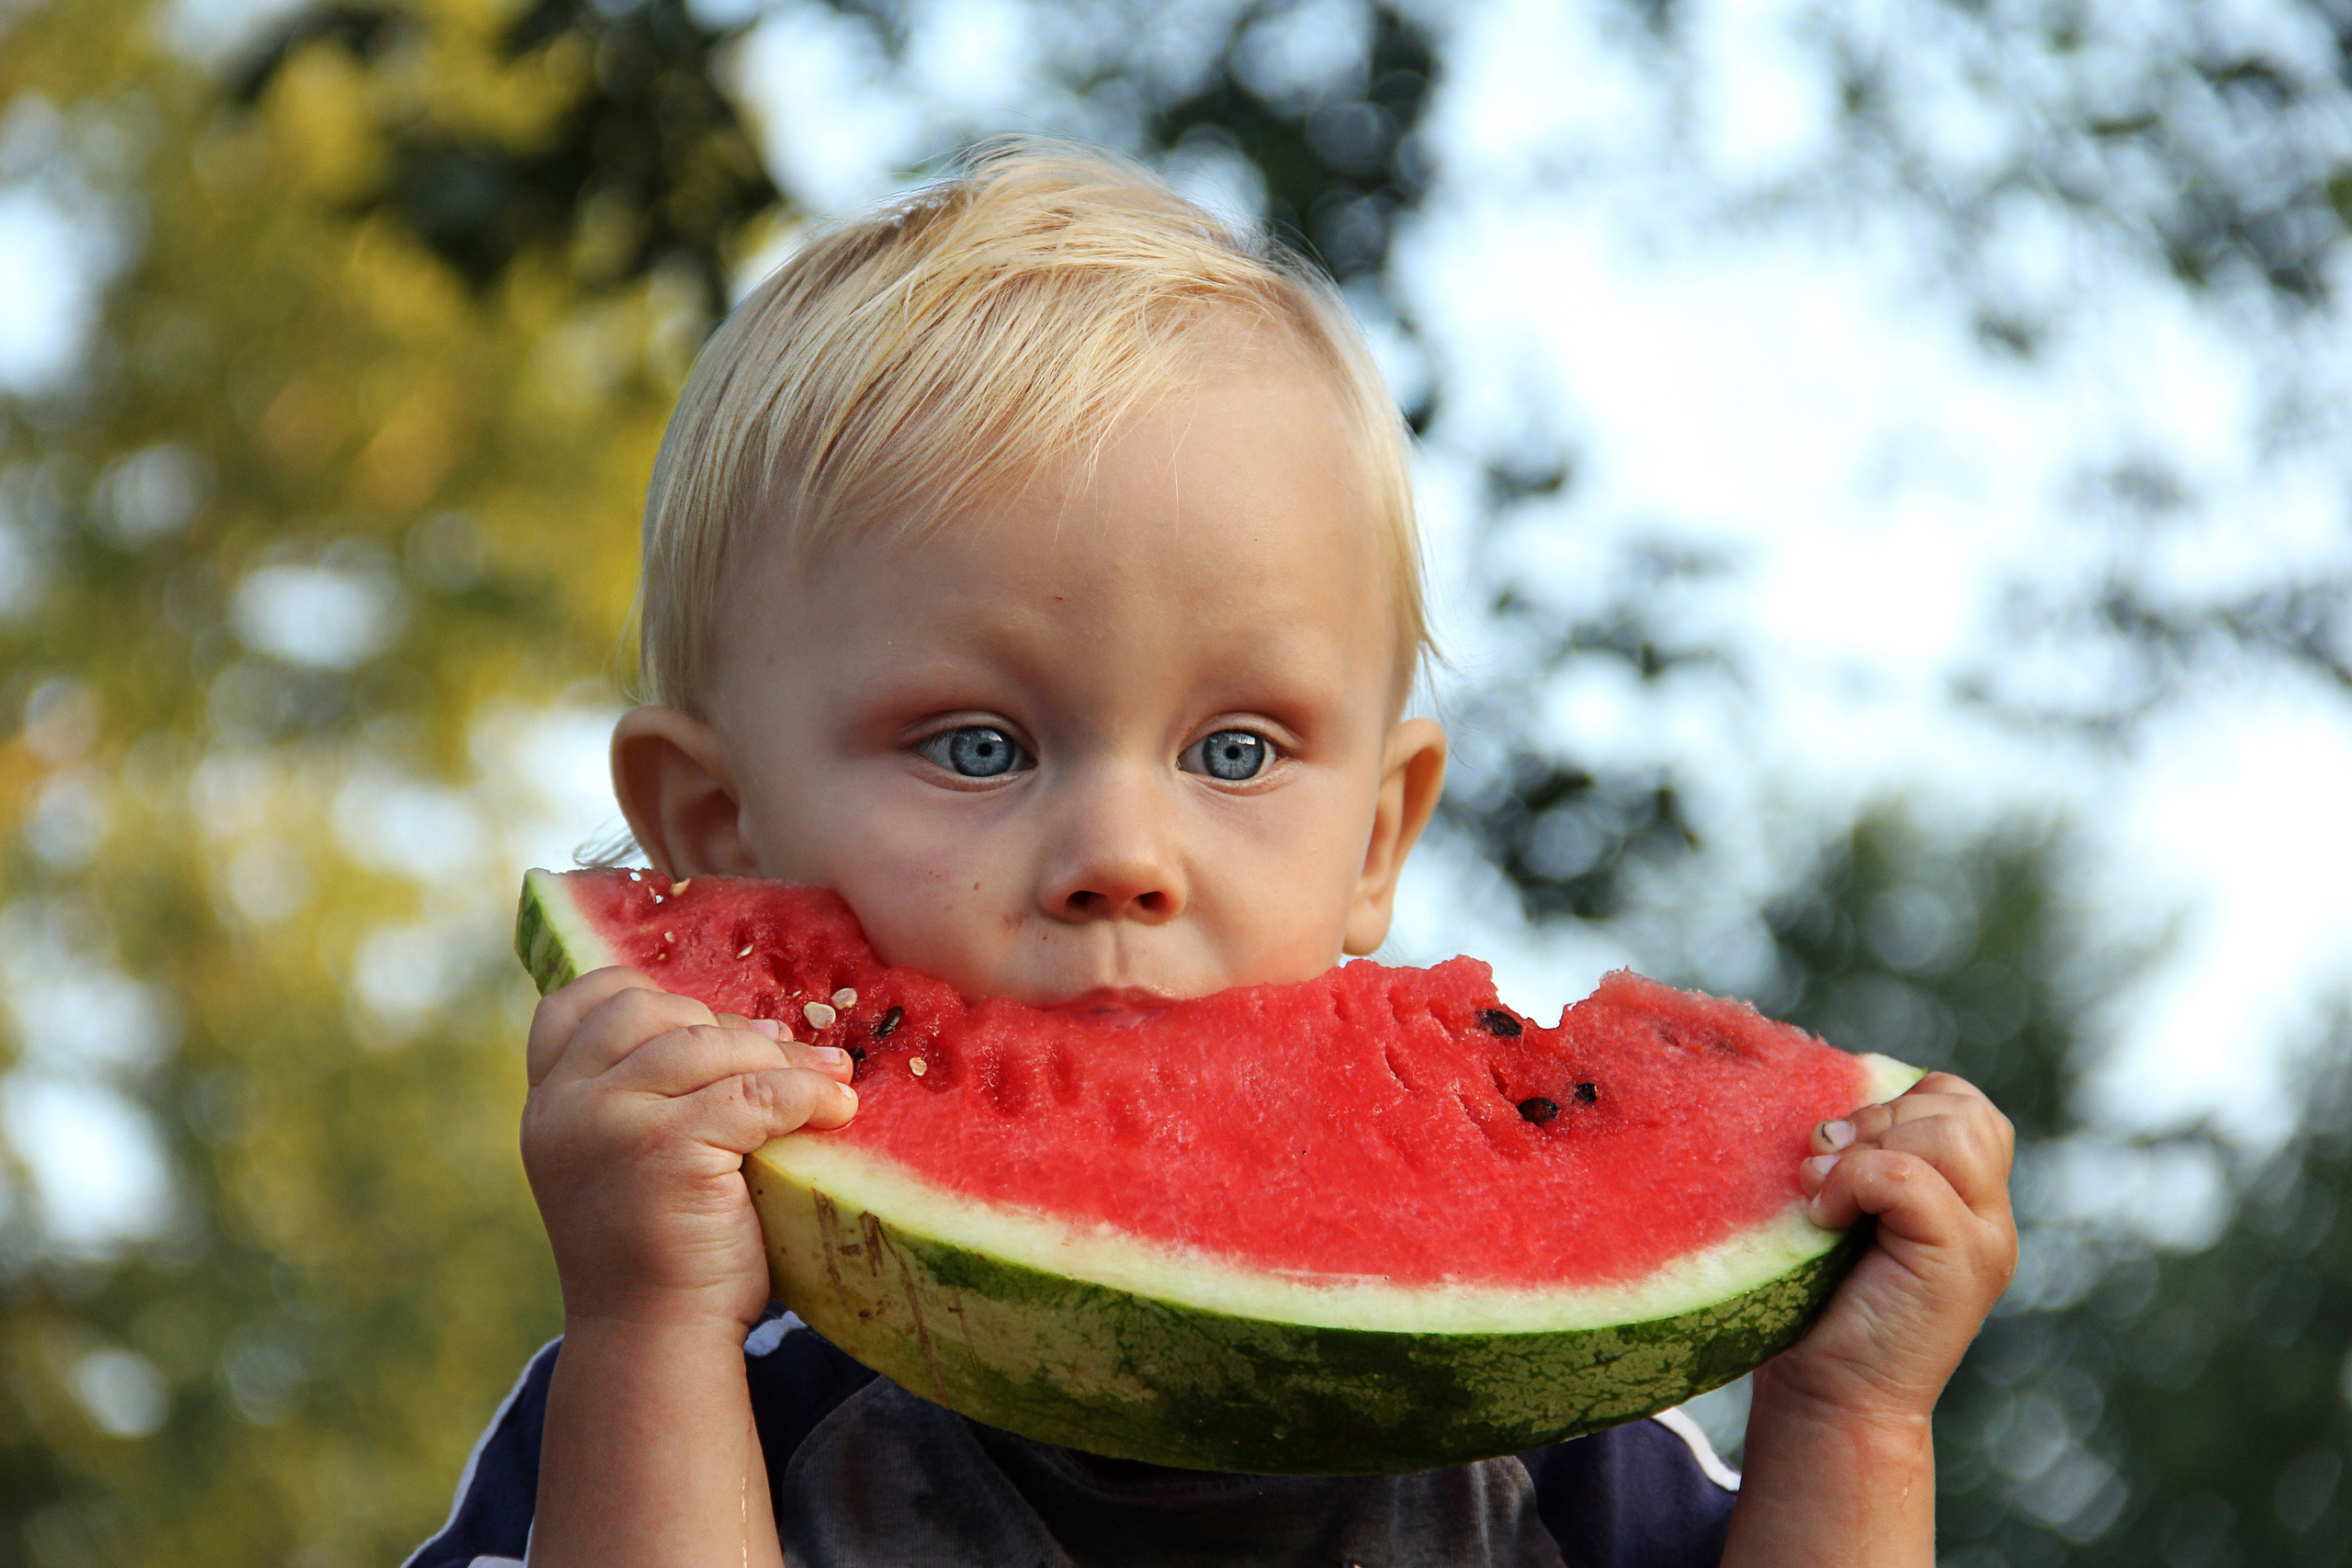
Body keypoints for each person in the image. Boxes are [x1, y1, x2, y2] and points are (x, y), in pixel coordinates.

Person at [406, 140, 2017, 1568]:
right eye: (978, 745)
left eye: (1234, 752)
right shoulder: (698, 1407)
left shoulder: (1557, 1439)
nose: (1121, 854)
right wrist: (651, 1337)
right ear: (713, 832)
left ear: (1379, 833)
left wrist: (1854, 1423)